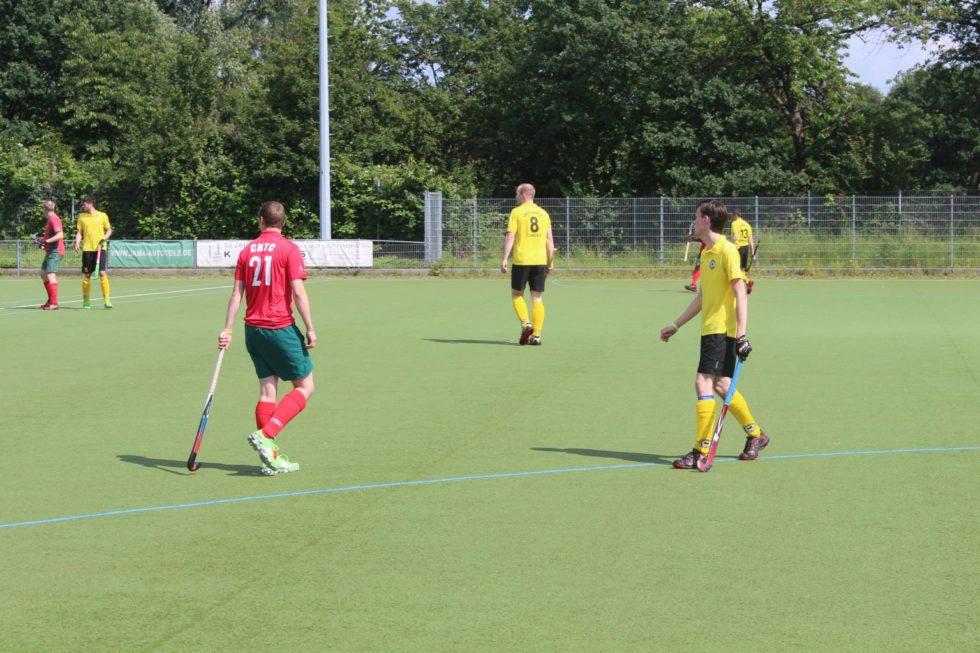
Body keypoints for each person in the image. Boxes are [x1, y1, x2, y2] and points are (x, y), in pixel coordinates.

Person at [659, 199, 769, 471]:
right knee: (721, 385)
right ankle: (756, 435)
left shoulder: (727, 250)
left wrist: (742, 335)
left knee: (703, 382)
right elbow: (702, 297)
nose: (694, 221)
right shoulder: (707, 253)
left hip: (723, 331)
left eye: (697, 216)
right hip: (710, 329)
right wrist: (676, 324)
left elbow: (741, 293)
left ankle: (700, 450)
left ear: (706, 219)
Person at [218, 201, 316, 475]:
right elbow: (298, 292)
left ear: (260, 219)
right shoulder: (289, 249)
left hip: (253, 330)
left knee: (267, 391)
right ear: (283, 222)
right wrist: (310, 327)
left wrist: (227, 329)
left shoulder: (247, 251)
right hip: (279, 327)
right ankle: (267, 435)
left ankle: (269, 458)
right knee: (305, 386)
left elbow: (236, 294)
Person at [500, 183, 555, 345]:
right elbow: (549, 240)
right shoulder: (543, 213)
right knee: (537, 298)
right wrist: (550, 261)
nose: (516, 196)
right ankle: (536, 336)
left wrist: (504, 258)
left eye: (517, 193)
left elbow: (511, 236)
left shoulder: (516, 212)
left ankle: (526, 324)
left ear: (523, 195)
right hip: (540, 261)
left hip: (522, 260)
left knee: (517, 295)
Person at [73, 196, 112, 309]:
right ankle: (86, 301)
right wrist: (77, 243)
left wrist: (104, 238)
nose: (83, 206)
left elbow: (109, 230)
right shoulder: (82, 217)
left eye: (84, 204)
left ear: (90, 204)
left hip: (100, 248)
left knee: (102, 273)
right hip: (87, 249)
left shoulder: (102, 215)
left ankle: (107, 300)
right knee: (87, 275)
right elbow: (79, 232)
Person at [38, 200, 65, 310]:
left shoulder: (54, 219)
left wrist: (46, 241)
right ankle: (50, 300)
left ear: (45, 209)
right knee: (43, 273)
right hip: (50, 252)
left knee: (50, 274)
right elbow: (51, 237)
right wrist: (42, 240)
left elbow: (60, 235)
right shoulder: (50, 219)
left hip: (55, 252)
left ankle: (54, 303)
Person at [730, 209, 756, 293]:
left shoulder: (734, 223)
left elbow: (735, 237)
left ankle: (747, 281)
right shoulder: (747, 225)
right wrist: (752, 253)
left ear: (735, 215)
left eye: (732, 216)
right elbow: (751, 240)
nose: (731, 218)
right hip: (746, 247)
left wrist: (731, 247)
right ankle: (747, 283)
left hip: (738, 248)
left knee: (735, 269)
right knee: (741, 269)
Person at [684, 227, 705, 292]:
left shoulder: (709, 226)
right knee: (697, 266)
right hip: (703, 251)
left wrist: (692, 239)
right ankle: (694, 285)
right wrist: (692, 238)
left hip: (710, 251)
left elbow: (705, 238)